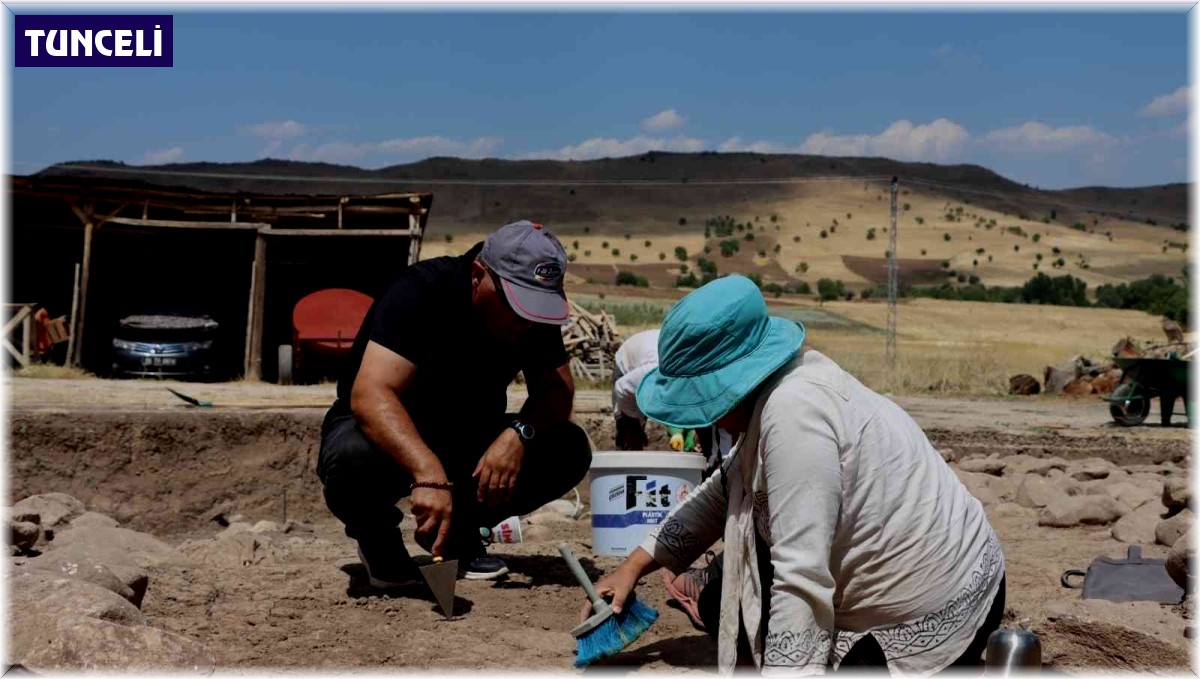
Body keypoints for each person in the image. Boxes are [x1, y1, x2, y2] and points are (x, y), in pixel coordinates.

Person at [587, 275, 1005, 675]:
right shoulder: (775, 389)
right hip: (889, 577)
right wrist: (631, 568)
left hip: (931, 607)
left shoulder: (794, 414)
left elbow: (801, 577)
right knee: (722, 603)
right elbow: (720, 492)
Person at [317, 220, 592, 586]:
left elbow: (558, 392)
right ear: (479, 275)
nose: (524, 322)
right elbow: (371, 395)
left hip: (466, 441)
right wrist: (427, 473)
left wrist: (517, 435)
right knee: (350, 455)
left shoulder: (530, 316)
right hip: (386, 439)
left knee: (568, 447)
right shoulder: (421, 291)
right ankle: (378, 541)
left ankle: (461, 537)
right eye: (516, 306)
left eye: (534, 310)